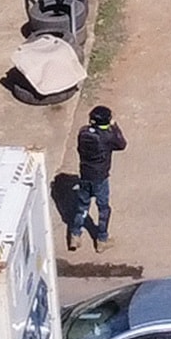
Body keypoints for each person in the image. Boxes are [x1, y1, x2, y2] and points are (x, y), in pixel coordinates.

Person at [70, 105, 126, 252]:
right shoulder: (107, 137)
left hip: (85, 174)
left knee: (82, 207)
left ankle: (75, 235)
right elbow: (122, 144)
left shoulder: (83, 132)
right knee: (103, 208)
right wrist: (115, 127)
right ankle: (102, 239)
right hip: (100, 177)